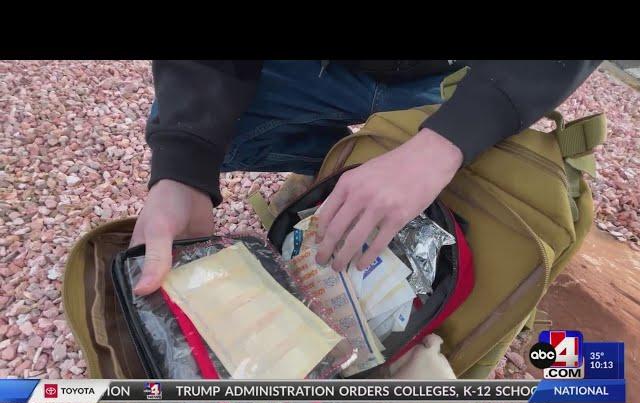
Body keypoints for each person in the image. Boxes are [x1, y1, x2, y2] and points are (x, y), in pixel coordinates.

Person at [131, 60, 600, 296]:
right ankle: (338, 170)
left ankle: (384, 163)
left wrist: (446, 144)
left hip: (460, 75)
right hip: (319, 67)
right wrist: (181, 169)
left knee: (467, 213)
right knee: (199, 130)